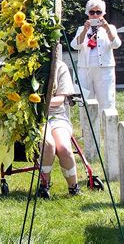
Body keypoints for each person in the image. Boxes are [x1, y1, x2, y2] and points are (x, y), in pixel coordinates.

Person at [70, 0, 121, 114]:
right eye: (92, 12)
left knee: (107, 101)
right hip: (85, 69)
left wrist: (107, 28)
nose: (95, 15)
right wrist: (84, 31)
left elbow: (116, 44)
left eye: (98, 12)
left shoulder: (110, 28)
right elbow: (75, 45)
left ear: (103, 14)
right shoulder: (81, 29)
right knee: (86, 101)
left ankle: (108, 130)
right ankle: (88, 131)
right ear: (88, 14)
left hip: (105, 70)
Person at [38, 60, 81, 198]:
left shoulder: (60, 66)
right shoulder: (25, 66)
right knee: (48, 144)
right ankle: (44, 185)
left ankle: (73, 187)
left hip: (56, 115)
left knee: (64, 147)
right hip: (36, 117)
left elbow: (60, 99)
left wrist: (38, 101)